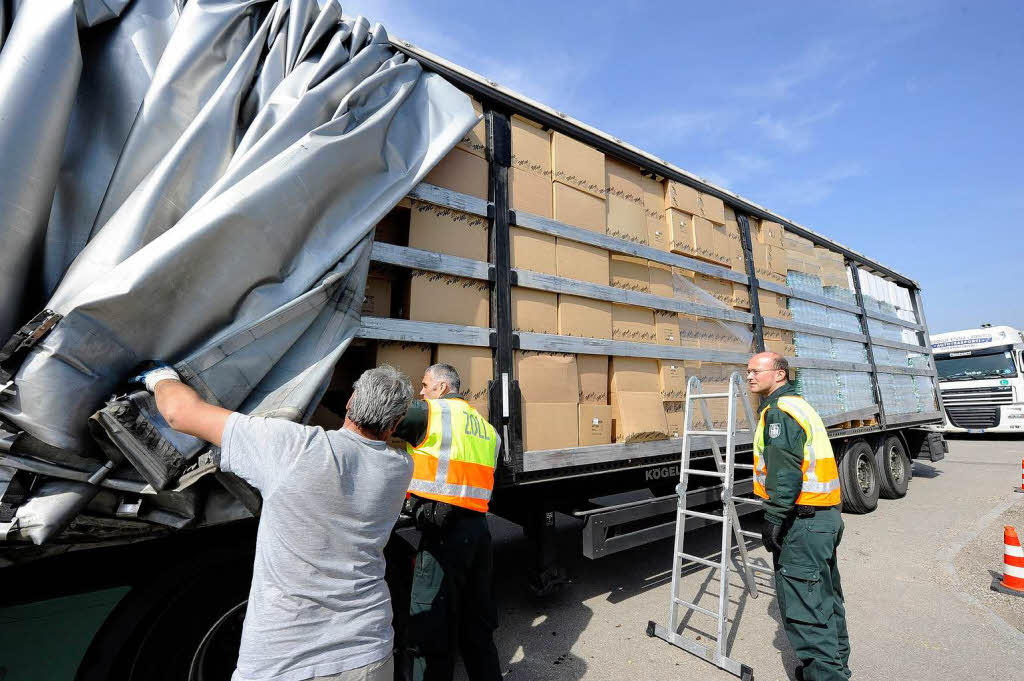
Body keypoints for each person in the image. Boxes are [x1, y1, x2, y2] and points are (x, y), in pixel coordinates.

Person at [137, 363, 415, 681]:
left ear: (350, 402)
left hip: (284, 660)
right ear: (395, 424)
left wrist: (160, 377)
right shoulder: (399, 468)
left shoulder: (293, 447)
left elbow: (179, 413)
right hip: (368, 654)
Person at [392, 364, 502, 681]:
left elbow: (378, 412)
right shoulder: (487, 430)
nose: (421, 391)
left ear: (441, 387)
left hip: (443, 531)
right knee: (478, 627)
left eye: (425, 384)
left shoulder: (431, 413)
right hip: (479, 532)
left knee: (430, 628)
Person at [746, 352, 850, 681]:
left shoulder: (779, 412)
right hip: (824, 518)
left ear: (779, 375)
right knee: (826, 600)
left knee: (806, 611)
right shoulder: (799, 404)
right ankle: (835, 668)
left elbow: (785, 474)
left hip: (802, 524)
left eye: (755, 371)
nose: (749, 376)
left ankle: (827, 676)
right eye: (747, 371)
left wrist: (774, 518)